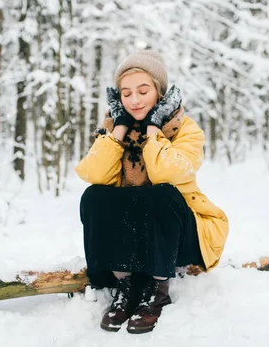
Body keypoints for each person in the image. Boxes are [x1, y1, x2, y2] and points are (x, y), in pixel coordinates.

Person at [75, 49, 229, 334]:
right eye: (126, 93)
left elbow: (166, 174)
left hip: (180, 237)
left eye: (143, 91)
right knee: (94, 196)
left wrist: (154, 128)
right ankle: (126, 285)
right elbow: (93, 174)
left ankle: (157, 291)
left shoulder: (185, 128)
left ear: (159, 92)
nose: (134, 100)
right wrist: (118, 130)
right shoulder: (111, 128)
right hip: (136, 235)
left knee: (163, 193)